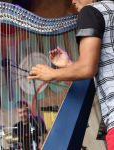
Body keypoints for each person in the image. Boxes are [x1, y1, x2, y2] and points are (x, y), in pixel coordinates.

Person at [28, 0, 114, 149]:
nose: (73, 1)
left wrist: (51, 73)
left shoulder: (90, 12)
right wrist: (69, 65)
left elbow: (87, 68)